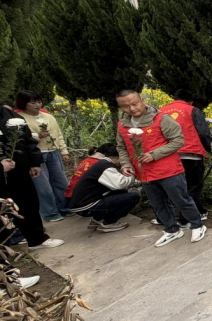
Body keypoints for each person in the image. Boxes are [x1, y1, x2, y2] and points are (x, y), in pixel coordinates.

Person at [115, 90, 207, 247]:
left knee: (180, 199)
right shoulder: (123, 125)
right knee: (158, 203)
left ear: (142, 100)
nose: (132, 109)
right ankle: (171, 229)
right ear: (120, 107)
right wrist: (126, 164)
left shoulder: (161, 119)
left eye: (134, 104)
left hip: (169, 170)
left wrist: (154, 154)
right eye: (125, 106)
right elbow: (122, 147)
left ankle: (197, 225)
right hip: (145, 173)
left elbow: (178, 140)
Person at [0, 102, 64, 251]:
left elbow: (27, 139)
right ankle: (9, 245)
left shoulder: (7, 115)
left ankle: (36, 239)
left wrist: (34, 162)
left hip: (18, 171)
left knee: (28, 204)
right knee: (5, 210)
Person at [158, 89, 212, 226]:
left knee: (174, 187)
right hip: (191, 154)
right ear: (191, 101)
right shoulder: (192, 110)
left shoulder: (161, 111)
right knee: (193, 186)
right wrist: (207, 147)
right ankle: (185, 219)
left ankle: (196, 211)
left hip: (168, 155)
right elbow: (203, 133)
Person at [15, 90, 71, 222]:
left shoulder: (48, 117)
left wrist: (64, 151)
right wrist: (37, 136)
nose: (37, 105)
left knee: (61, 182)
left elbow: (58, 134)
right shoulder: (19, 119)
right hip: (35, 155)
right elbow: (21, 138)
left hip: (53, 152)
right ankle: (50, 213)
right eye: (33, 102)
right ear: (23, 103)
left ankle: (65, 207)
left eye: (39, 101)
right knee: (43, 187)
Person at [67, 144, 139, 232]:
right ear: (119, 158)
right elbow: (120, 183)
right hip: (86, 206)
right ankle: (108, 223)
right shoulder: (106, 166)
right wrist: (133, 175)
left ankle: (96, 220)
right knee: (133, 197)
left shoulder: (101, 164)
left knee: (120, 192)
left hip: (81, 204)